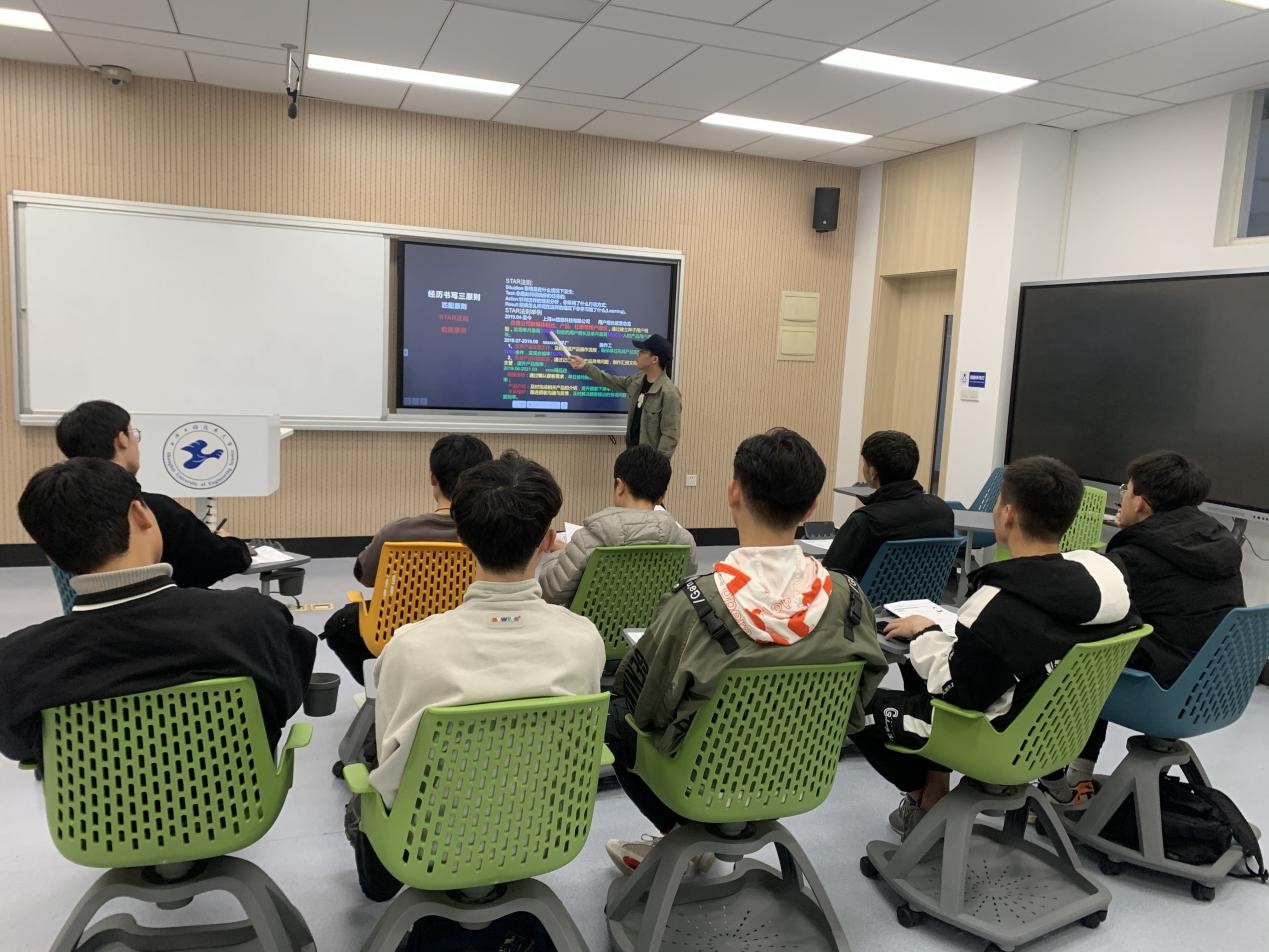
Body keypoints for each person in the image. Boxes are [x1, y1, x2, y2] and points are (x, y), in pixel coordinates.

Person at [604, 428, 889, 873]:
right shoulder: (849, 599)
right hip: (801, 773)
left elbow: (646, 706)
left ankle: (682, 834)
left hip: (699, 776)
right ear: (811, 507)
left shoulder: (696, 602)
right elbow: (861, 698)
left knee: (614, 715)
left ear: (733, 493)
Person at [347, 451, 605, 901]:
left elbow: (388, 762)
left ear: (462, 538)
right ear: (549, 541)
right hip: (544, 834)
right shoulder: (584, 639)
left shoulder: (410, 646)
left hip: (423, 842)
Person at [851, 456, 1139, 838]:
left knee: (854, 705)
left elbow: (955, 691)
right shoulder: (1107, 588)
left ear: (1007, 514)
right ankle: (933, 795)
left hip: (995, 740)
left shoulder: (998, 601)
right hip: (1053, 734)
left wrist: (925, 634)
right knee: (925, 664)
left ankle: (924, 800)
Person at [0, 458, 316, 764]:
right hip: (240, 797)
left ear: (50, 552)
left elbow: (20, 747)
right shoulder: (254, 619)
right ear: (141, 514)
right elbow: (285, 699)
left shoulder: (15, 663)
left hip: (100, 802)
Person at [1043, 451, 1244, 805]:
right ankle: (1080, 775)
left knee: (1078, 654)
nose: (1122, 497)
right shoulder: (1219, 544)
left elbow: (1082, 611)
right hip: (1218, 691)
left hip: (1165, 693)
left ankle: (1063, 782)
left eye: (1127, 489)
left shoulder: (1138, 556)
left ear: (1142, 503)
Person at [322, 434, 493, 681]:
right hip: (474, 631)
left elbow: (365, 577)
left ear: (433, 478)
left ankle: (385, 686)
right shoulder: (494, 533)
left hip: (400, 632)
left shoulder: (397, 532)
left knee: (341, 625)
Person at [54, 400, 251, 588]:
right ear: (122, 439)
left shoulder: (60, 508)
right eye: (134, 434)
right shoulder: (151, 510)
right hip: (162, 607)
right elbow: (217, 561)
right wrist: (231, 543)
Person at [538, 445, 697, 606]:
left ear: (620, 486)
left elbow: (550, 592)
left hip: (591, 622)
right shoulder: (685, 542)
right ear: (662, 496)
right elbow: (684, 590)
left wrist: (560, 553)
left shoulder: (589, 540)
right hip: (656, 622)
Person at [823, 430, 955, 580]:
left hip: (867, 595)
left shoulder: (865, 521)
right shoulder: (943, 511)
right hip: (925, 594)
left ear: (872, 472)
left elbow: (830, 577)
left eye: (864, 463)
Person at [568, 333, 682, 458]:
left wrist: (658, 464)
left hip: (650, 462)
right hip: (631, 455)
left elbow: (670, 435)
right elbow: (612, 381)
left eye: (643, 352)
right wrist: (585, 366)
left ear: (654, 359)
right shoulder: (637, 380)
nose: (638, 354)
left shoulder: (669, 393)